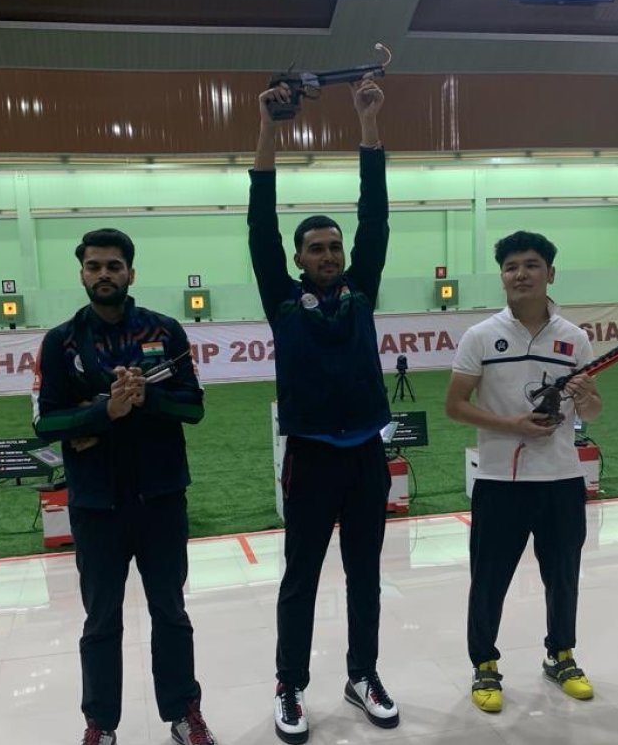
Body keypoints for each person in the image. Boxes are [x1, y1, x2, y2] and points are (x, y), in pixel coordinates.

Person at [248, 75, 399, 744]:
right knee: (301, 579)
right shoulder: (281, 300)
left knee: (364, 573)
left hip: (367, 453)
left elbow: (377, 217)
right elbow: (259, 218)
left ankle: (362, 675)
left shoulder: (362, 291)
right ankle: (290, 685)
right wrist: (270, 127)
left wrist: (368, 125)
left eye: (335, 247)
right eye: (318, 248)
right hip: (309, 456)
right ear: (298, 258)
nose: (331, 255)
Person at [31, 228, 216, 745]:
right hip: (97, 505)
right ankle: (100, 725)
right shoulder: (61, 341)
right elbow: (46, 425)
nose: (104, 274)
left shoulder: (165, 330)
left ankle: (184, 714)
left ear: (131, 272)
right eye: (95, 266)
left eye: (114, 265)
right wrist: (103, 411)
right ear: (83, 274)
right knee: (101, 620)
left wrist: (144, 400)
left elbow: (194, 407)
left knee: (171, 613)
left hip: (160, 498)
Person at [444, 231, 602, 714]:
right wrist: (511, 424)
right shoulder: (480, 336)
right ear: (502, 277)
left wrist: (585, 396)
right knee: (489, 579)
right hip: (498, 482)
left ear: (550, 273)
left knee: (564, 575)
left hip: (559, 477)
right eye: (511, 267)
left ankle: (561, 655)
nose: (521, 274)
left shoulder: (573, 339)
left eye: (531, 265)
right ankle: (484, 665)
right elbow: (454, 406)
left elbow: (592, 412)